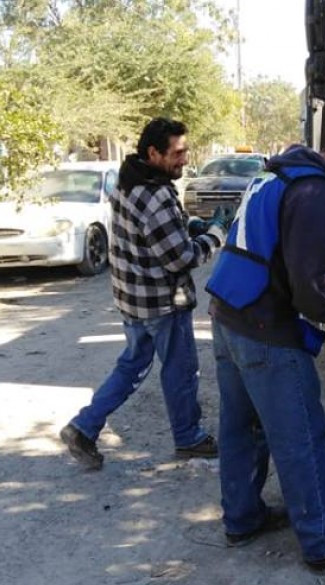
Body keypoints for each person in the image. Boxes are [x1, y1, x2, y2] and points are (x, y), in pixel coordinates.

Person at [204, 133, 325, 572]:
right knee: (301, 435)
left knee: (243, 428)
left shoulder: (276, 175)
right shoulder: (316, 192)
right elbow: (308, 285)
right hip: (265, 329)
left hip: (228, 315)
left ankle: (242, 518)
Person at [59, 117, 227, 471]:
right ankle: (189, 437)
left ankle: (83, 427)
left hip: (132, 299)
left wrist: (188, 225)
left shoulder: (130, 180)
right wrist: (215, 235)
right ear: (153, 152)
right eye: (177, 153)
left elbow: (152, 234)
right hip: (162, 303)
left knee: (132, 365)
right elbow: (180, 258)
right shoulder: (156, 195)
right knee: (181, 371)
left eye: (186, 151)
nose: (184, 159)